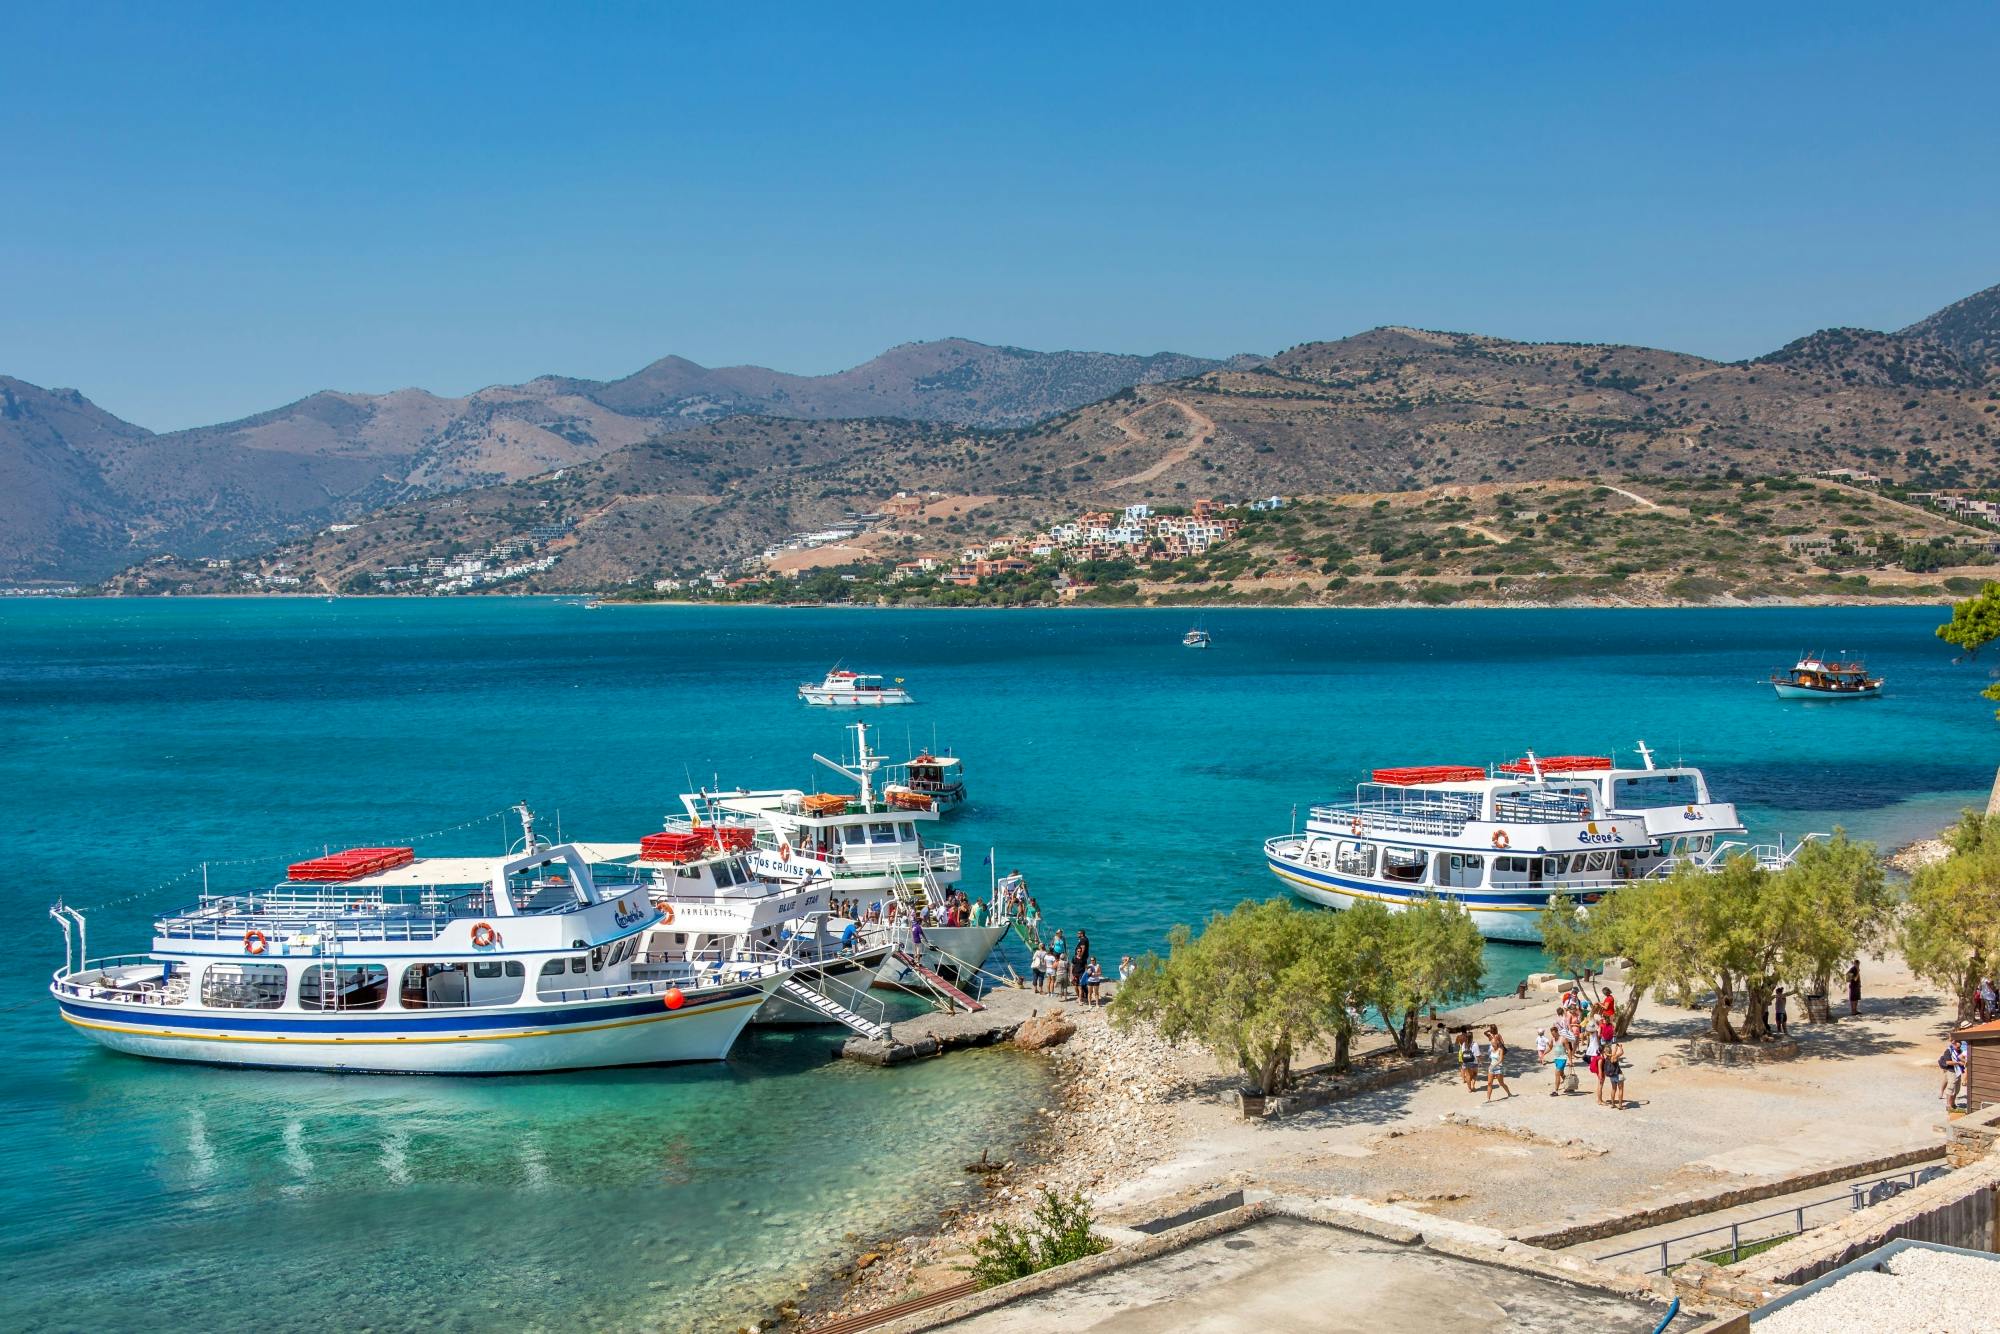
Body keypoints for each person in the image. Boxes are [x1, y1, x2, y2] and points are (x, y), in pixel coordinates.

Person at [1484, 1026, 1512, 1102]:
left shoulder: (1500, 1050)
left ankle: (1509, 1093)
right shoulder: (1492, 1049)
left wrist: (1494, 1066)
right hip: (1491, 1068)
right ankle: (1488, 1099)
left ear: (1497, 1043)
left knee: (1501, 1083)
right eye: (1491, 1043)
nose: (1492, 1045)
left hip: (1499, 1068)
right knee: (1489, 1083)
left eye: (1493, 1043)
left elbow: (1501, 1060)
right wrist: (1491, 1066)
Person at [1941, 1038, 1968, 1110]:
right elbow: (1947, 1062)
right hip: (1951, 1071)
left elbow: (1961, 1058)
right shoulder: (1948, 1051)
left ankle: (1952, 1103)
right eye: (1958, 1047)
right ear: (1954, 1044)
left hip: (1958, 1071)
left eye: (1960, 1047)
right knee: (1951, 1088)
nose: (1959, 1048)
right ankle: (1948, 1105)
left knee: (1956, 1089)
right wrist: (1958, 1063)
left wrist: (1964, 1061)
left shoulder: (1960, 1050)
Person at [1604, 1041, 1628, 1110]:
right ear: (1610, 1050)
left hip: (1612, 1076)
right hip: (1618, 1075)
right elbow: (1621, 1053)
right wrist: (1620, 1047)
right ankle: (1620, 1105)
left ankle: (1612, 1104)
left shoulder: (1607, 1058)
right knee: (1621, 1090)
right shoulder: (1615, 1057)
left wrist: (1616, 1048)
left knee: (1613, 1089)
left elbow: (1613, 1054)